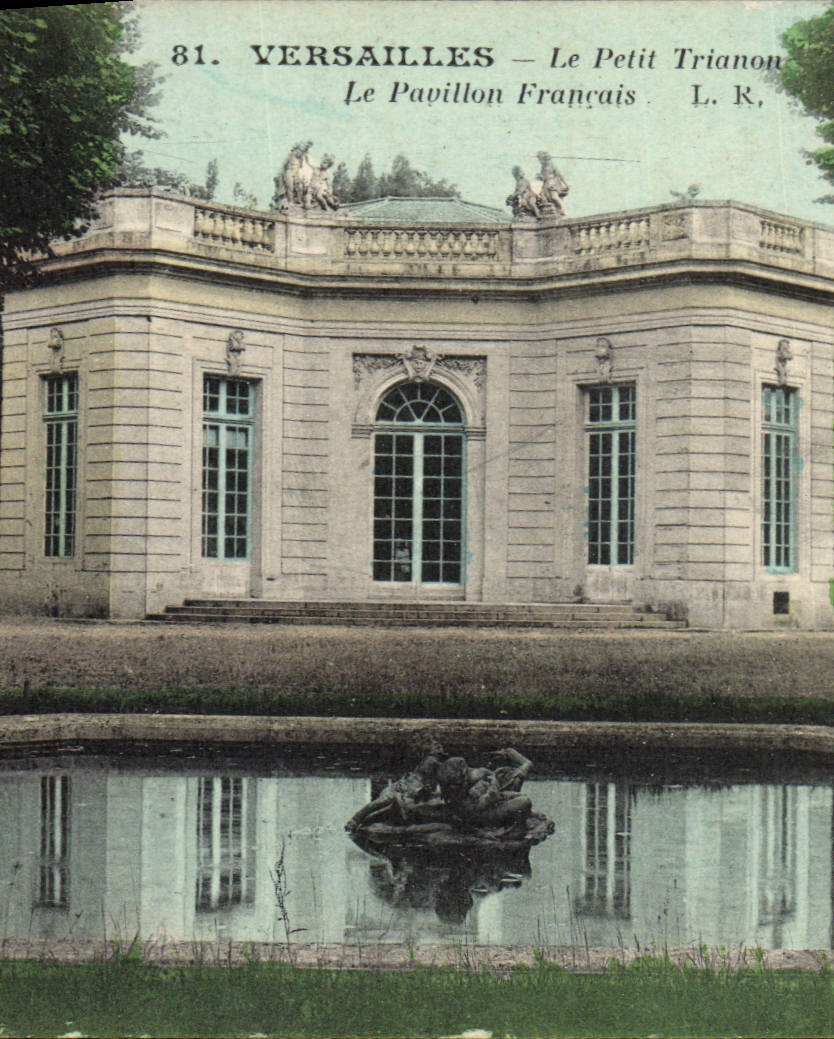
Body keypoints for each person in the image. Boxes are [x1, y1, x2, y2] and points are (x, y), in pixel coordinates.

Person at [345, 751, 443, 831]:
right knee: (383, 801)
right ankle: (355, 820)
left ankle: (364, 822)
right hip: (398, 789)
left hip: (408, 796)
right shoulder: (420, 771)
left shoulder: (434, 776)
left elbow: (424, 796)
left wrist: (424, 793)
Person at [437, 749, 532, 829]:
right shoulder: (461, 796)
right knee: (524, 801)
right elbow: (488, 800)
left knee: (519, 796)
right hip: (482, 817)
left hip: (482, 806)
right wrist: (493, 784)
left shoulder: (458, 788)